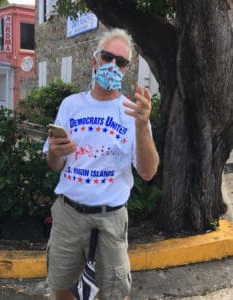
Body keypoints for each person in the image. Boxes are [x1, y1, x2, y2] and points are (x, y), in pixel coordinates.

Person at [43, 28, 159, 300]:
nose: (113, 65)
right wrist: (56, 152)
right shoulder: (71, 105)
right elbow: (54, 164)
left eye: (121, 62)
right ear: (95, 61)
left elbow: (148, 172)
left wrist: (142, 125)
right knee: (63, 288)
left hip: (111, 218)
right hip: (69, 215)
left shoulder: (133, 113)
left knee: (113, 293)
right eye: (107, 57)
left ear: (126, 70)